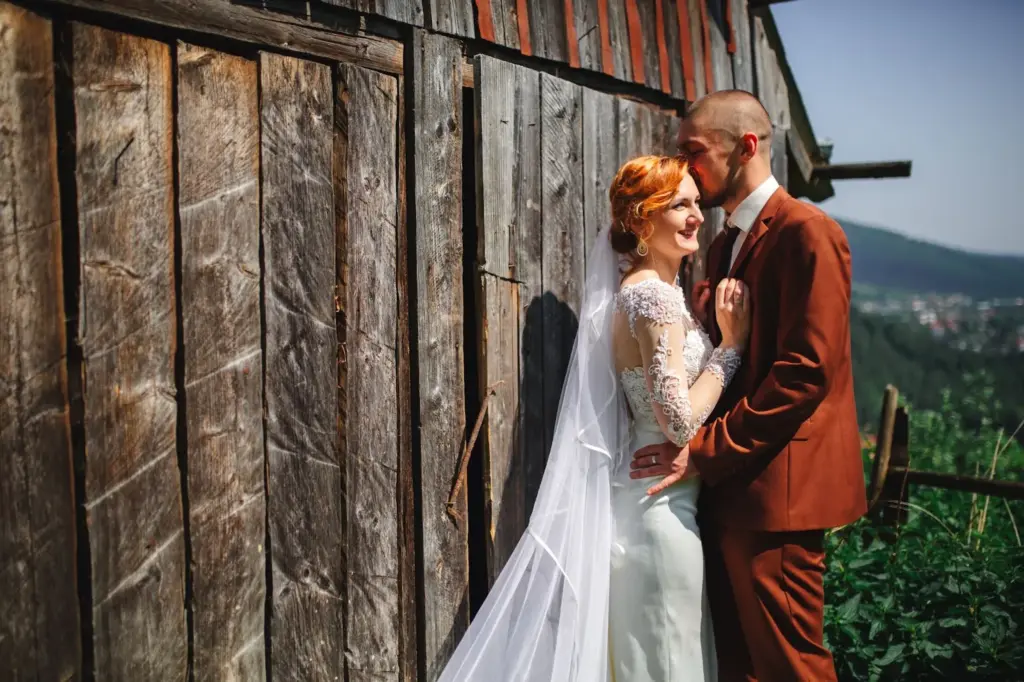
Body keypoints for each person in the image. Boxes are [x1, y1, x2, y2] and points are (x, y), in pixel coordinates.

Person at [435, 154, 748, 682]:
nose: (697, 215)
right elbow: (676, 422)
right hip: (658, 517)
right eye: (681, 205)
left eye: (697, 202)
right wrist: (732, 346)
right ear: (644, 221)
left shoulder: (657, 293)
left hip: (651, 503)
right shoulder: (652, 298)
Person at [632, 89, 868, 681]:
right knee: (740, 666)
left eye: (694, 151)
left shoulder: (807, 231)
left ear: (746, 147)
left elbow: (804, 373)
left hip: (777, 498)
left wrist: (704, 451)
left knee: (791, 667)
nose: (683, 167)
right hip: (726, 490)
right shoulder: (721, 244)